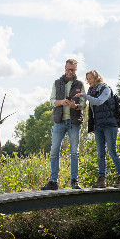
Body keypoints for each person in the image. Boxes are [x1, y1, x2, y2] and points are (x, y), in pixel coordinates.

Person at [74, 70, 120, 188]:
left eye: (90, 78)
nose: (88, 81)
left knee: (112, 152)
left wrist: (85, 96)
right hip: (98, 127)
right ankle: (101, 180)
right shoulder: (91, 91)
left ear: (97, 78)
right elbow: (91, 110)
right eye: (87, 79)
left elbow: (98, 101)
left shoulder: (105, 89)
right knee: (100, 154)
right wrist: (92, 126)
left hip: (110, 125)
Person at [41, 59, 86, 190]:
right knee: (54, 151)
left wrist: (75, 105)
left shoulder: (80, 84)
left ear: (76, 70)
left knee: (74, 152)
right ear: (65, 68)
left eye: (72, 69)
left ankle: (74, 181)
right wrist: (61, 102)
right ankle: (53, 182)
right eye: (68, 69)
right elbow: (51, 101)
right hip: (59, 121)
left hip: (74, 122)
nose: (69, 71)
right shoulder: (57, 83)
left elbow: (84, 104)